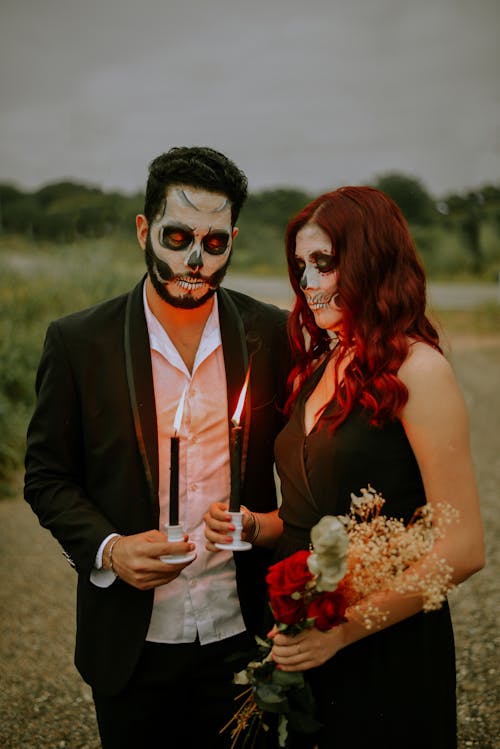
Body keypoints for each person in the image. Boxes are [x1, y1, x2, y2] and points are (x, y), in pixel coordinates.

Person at [24, 146, 289, 749]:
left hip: (246, 636)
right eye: (177, 235)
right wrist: (109, 549)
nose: (195, 258)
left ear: (233, 239)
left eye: (215, 242)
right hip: (131, 647)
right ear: (144, 229)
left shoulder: (271, 335)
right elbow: (45, 476)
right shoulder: (77, 342)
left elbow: (309, 467)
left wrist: (272, 524)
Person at [205, 186, 485, 748]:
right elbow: (315, 517)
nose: (307, 284)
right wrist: (259, 527)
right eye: (301, 267)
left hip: (382, 641)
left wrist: (345, 632)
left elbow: (463, 549)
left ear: (371, 261)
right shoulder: (324, 361)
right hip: (301, 632)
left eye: (324, 264)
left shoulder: (418, 370)